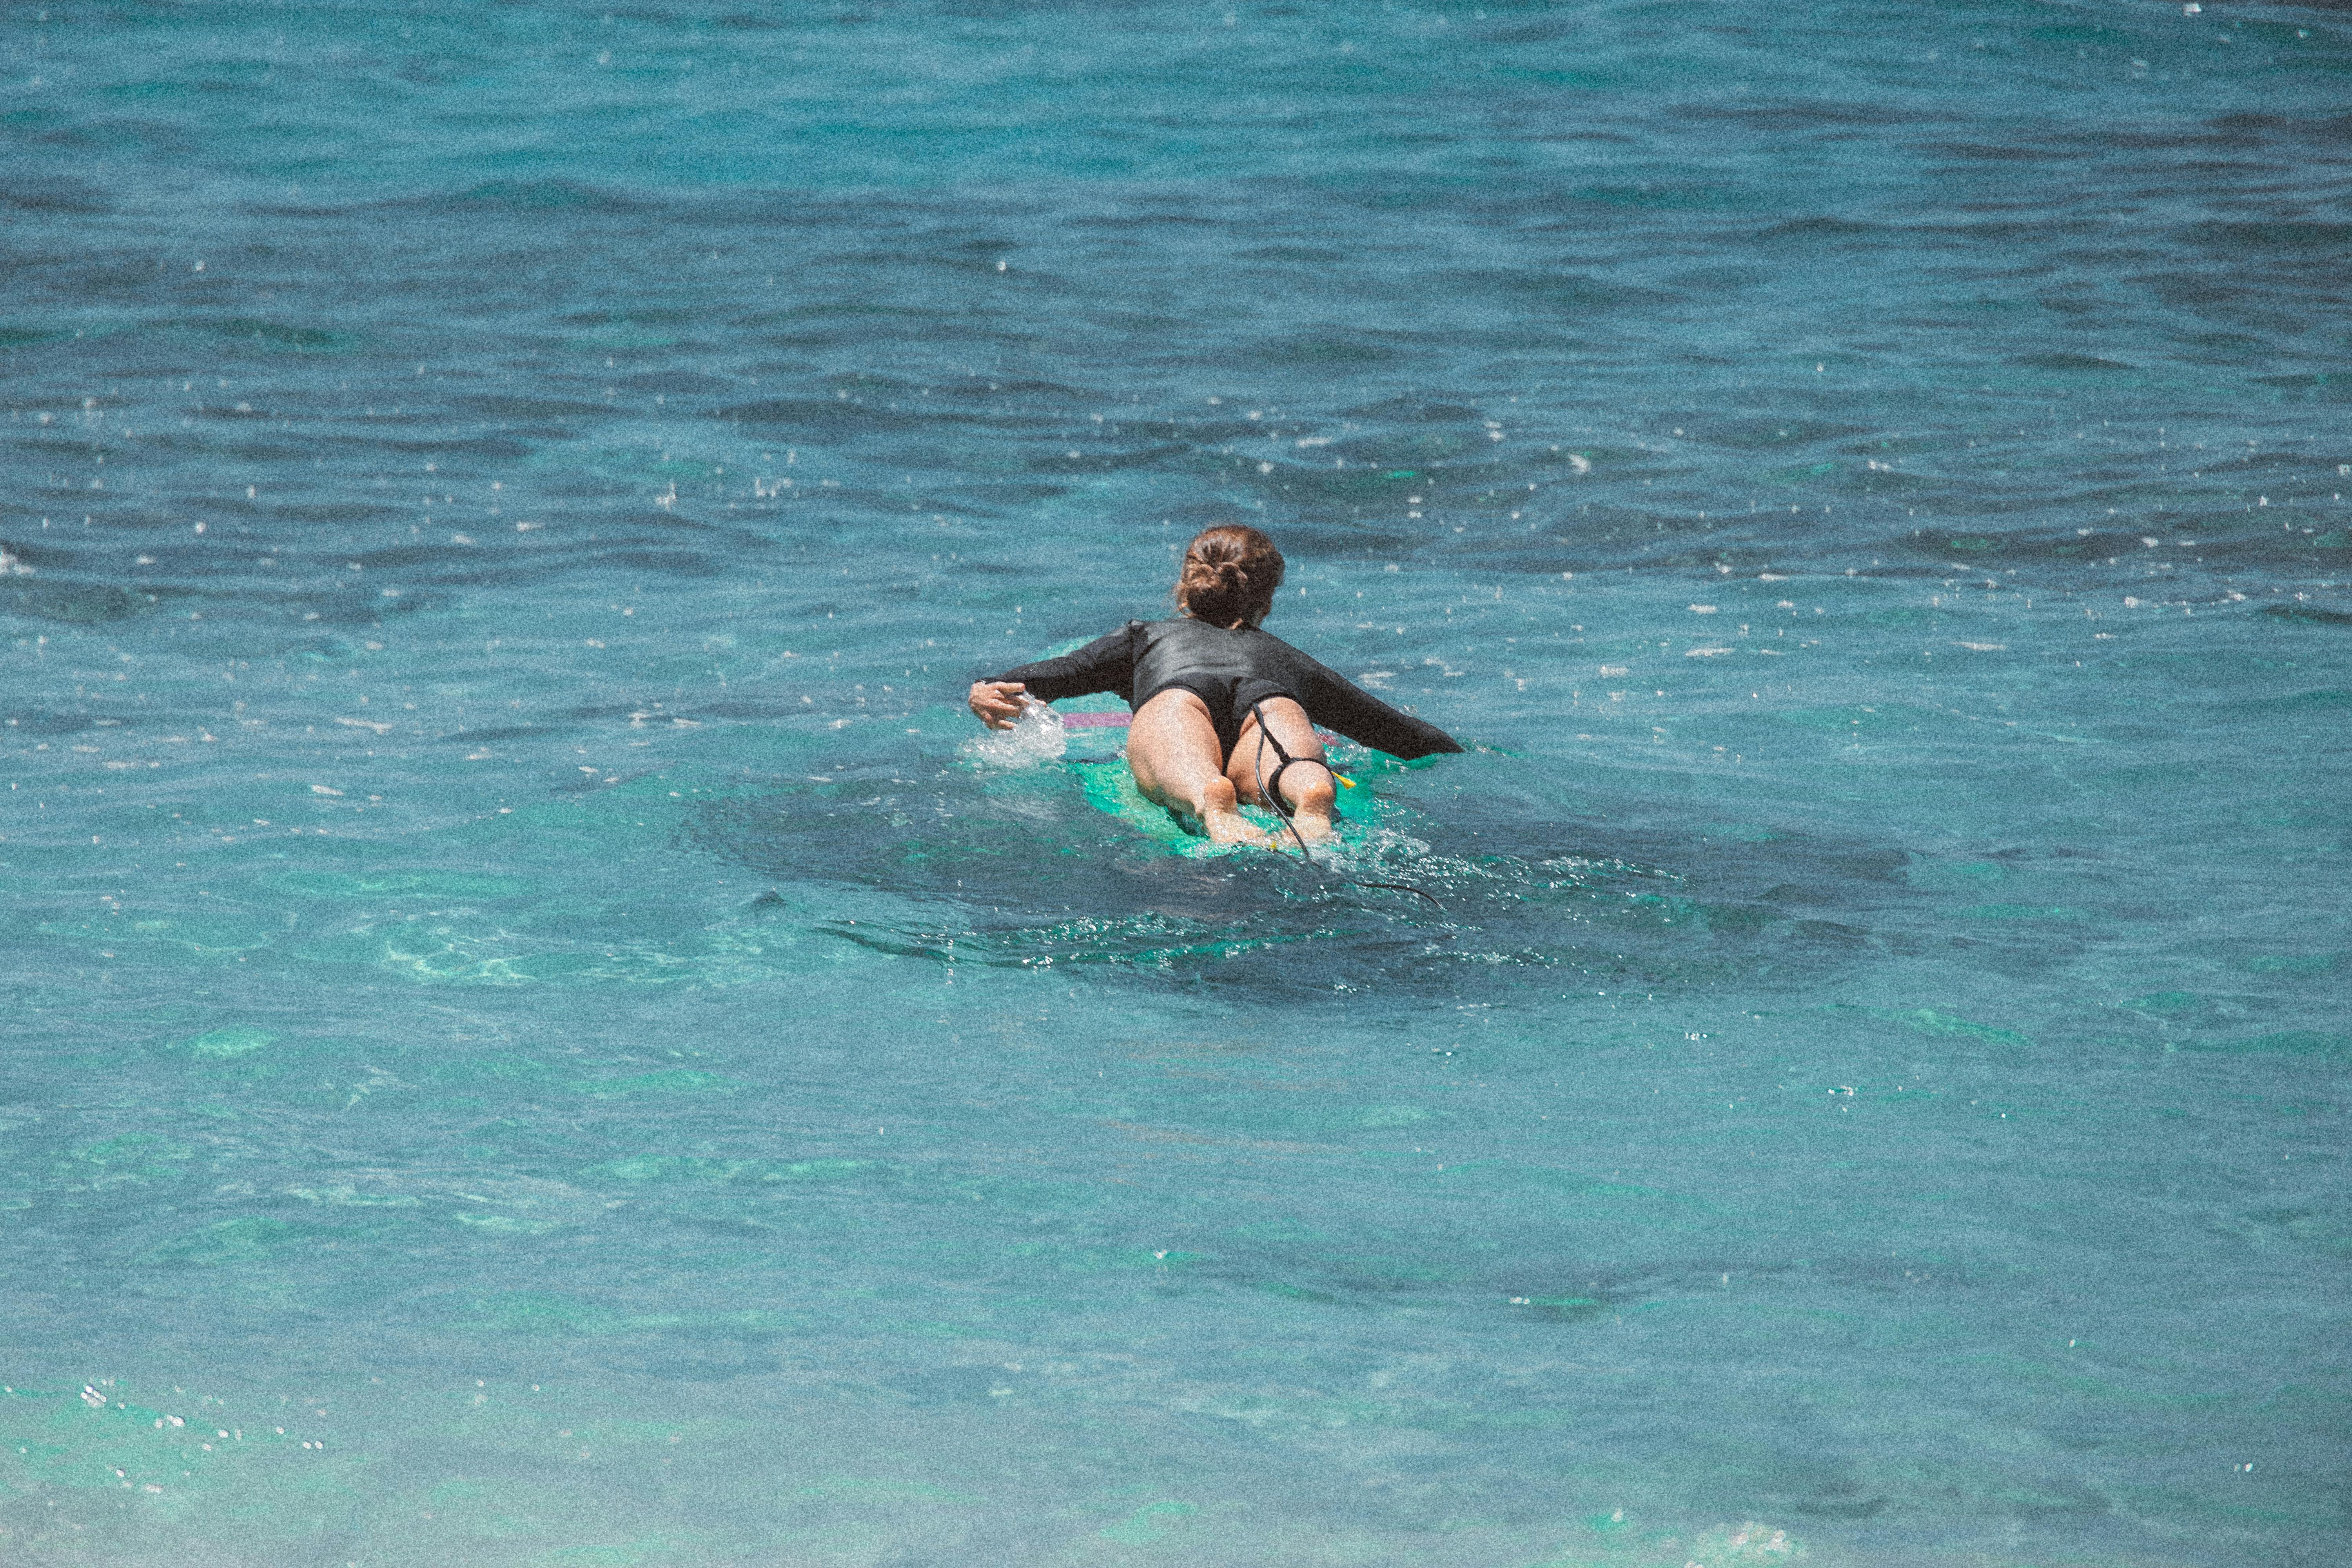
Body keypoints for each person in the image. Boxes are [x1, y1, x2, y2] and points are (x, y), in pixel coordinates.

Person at [968, 524, 1462, 846]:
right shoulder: (1288, 659)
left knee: (1193, 773)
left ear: (1186, 585)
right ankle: (1310, 796)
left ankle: (1211, 802)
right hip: (1270, 701)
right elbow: (1398, 733)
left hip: (1178, 697)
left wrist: (986, 689)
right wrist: (1468, 752)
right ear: (1265, 598)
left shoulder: (1143, 639)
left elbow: (1053, 675)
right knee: (1295, 771)